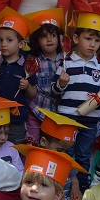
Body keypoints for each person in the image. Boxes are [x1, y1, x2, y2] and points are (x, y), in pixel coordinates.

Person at [51, 12, 100, 197]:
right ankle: (62, 185)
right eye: (88, 39)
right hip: (67, 118)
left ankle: (83, 191)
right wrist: (61, 83)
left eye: (97, 41)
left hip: (89, 120)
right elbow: (54, 92)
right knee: (65, 153)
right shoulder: (65, 63)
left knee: (84, 156)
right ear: (76, 38)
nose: (92, 45)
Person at [0, 8, 39, 144]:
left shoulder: (27, 65)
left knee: (15, 151)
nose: (3, 44)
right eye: (0, 40)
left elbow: (33, 94)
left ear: (21, 44)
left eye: (9, 40)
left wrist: (27, 86)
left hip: (16, 120)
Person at [24, 9, 64, 144]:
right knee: (32, 143)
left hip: (57, 111)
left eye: (53, 35)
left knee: (52, 144)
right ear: (37, 40)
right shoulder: (33, 61)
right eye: (44, 36)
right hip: (36, 109)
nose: (49, 39)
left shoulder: (65, 60)